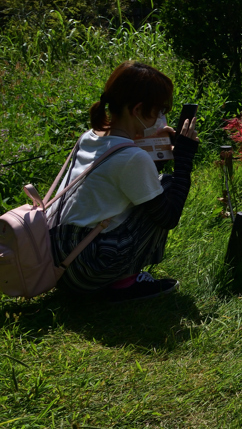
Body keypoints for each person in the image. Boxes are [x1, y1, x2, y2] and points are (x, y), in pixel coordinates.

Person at [48, 61, 200, 302]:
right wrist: (184, 159)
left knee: (155, 189)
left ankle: (119, 278)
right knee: (168, 186)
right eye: (159, 110)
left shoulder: (89, 137)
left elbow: (129, 182)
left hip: (56, 259)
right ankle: (125, 284)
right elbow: (168, 217)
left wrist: (156, 149)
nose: (162, 118)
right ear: (138, 110)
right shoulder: (132, 158)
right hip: (86, 271)